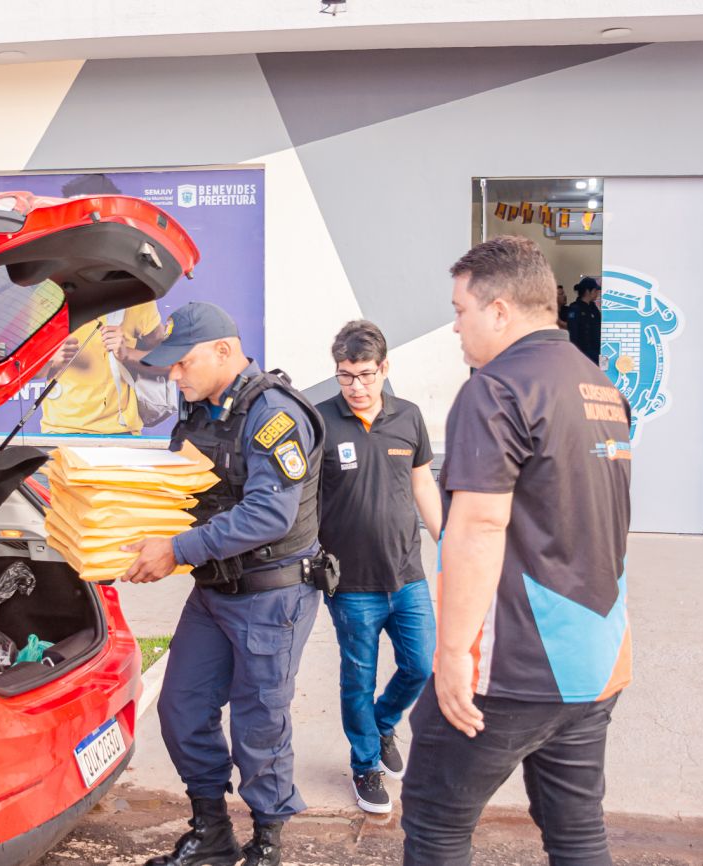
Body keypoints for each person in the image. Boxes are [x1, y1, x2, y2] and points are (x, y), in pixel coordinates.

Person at [401, 237, 632, 866]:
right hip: (595, 659)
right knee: (577, 832)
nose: (456, 326)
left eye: (461, 310)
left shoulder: (496, 389)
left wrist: (453, 655)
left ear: (499, 310)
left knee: (436, 826)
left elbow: (479, 526)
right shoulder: (599, 385)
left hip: (514, 665)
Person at [121, 301, 326, 866]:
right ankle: (211, 832)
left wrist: (176, 550)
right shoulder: (198, 411)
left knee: (260, 723)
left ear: (223, 351)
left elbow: (269, 515)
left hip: (272, 595)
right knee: (181, 709)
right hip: (214, 590)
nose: (174, 374)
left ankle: (267, 842)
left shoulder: (273, 414)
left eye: (182, 363)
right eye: (169, 365)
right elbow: (180, 490)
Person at [314, 320, 441, 815]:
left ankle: (383, 723)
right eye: (346, 375)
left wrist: (447, 540)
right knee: (357, 680)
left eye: (366, 375)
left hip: (407, 574)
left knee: (420, 666)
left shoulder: (408, 416)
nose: (356, 387)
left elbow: (422, 483)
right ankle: (365, 764)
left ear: (384, 368)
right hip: (351, 584)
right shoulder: (321, 422)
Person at [39, 301, 165, 434]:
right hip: (59, 429)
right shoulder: (48, 299)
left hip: (120, 429)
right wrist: (50, 358)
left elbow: (164, 358)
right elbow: (30, 372)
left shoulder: (139, 299)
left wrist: (126, 354)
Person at [565, 276, 602, 363]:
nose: (597, 294)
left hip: (596, 352)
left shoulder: (593, 308)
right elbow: (573, 334)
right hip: (582, 353)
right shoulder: (575, 308)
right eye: (595, 291)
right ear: (588, 291)